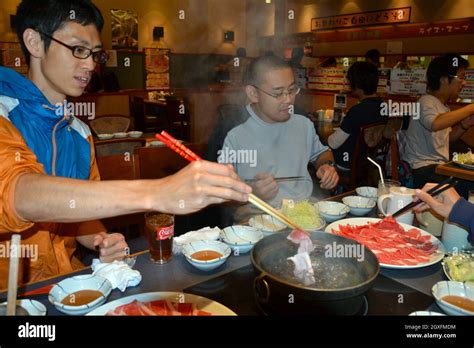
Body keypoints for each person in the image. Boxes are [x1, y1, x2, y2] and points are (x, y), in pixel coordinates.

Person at [0, 0, 251, 289]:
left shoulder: (78, 131)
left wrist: (99, 238)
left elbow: (77, 215)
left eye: (95, 54)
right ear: (33, 42)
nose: (90, 65)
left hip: (68, 284)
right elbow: (17, 194)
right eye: (78, 50)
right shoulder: (4, 111)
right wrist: (157, 191)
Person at [219, 55, 338, 221]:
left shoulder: (303, 124)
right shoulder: (234, 133)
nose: (288, 100)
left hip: (303, 210)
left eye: (291, 90)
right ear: (253, 93)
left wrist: (327, 166)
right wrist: (251, 191)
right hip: (256, 216)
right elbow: (220, 194)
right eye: (278, 94)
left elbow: (321, 154)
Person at [401, 54, 474, 197]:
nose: (463, 83)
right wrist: (471, 108)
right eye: (461, 77)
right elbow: (434, 124)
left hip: (438, 168)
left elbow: (446, 138)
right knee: (468, 186)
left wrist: (464, 126)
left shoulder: (442, 106)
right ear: (443, 80)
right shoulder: (425, 101)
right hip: (422, 171)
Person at [328, 61, 386, 170]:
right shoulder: (383, 106)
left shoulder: (357, 110)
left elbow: (333, 143)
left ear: (357, 85)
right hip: (368, 162)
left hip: (346, 163)